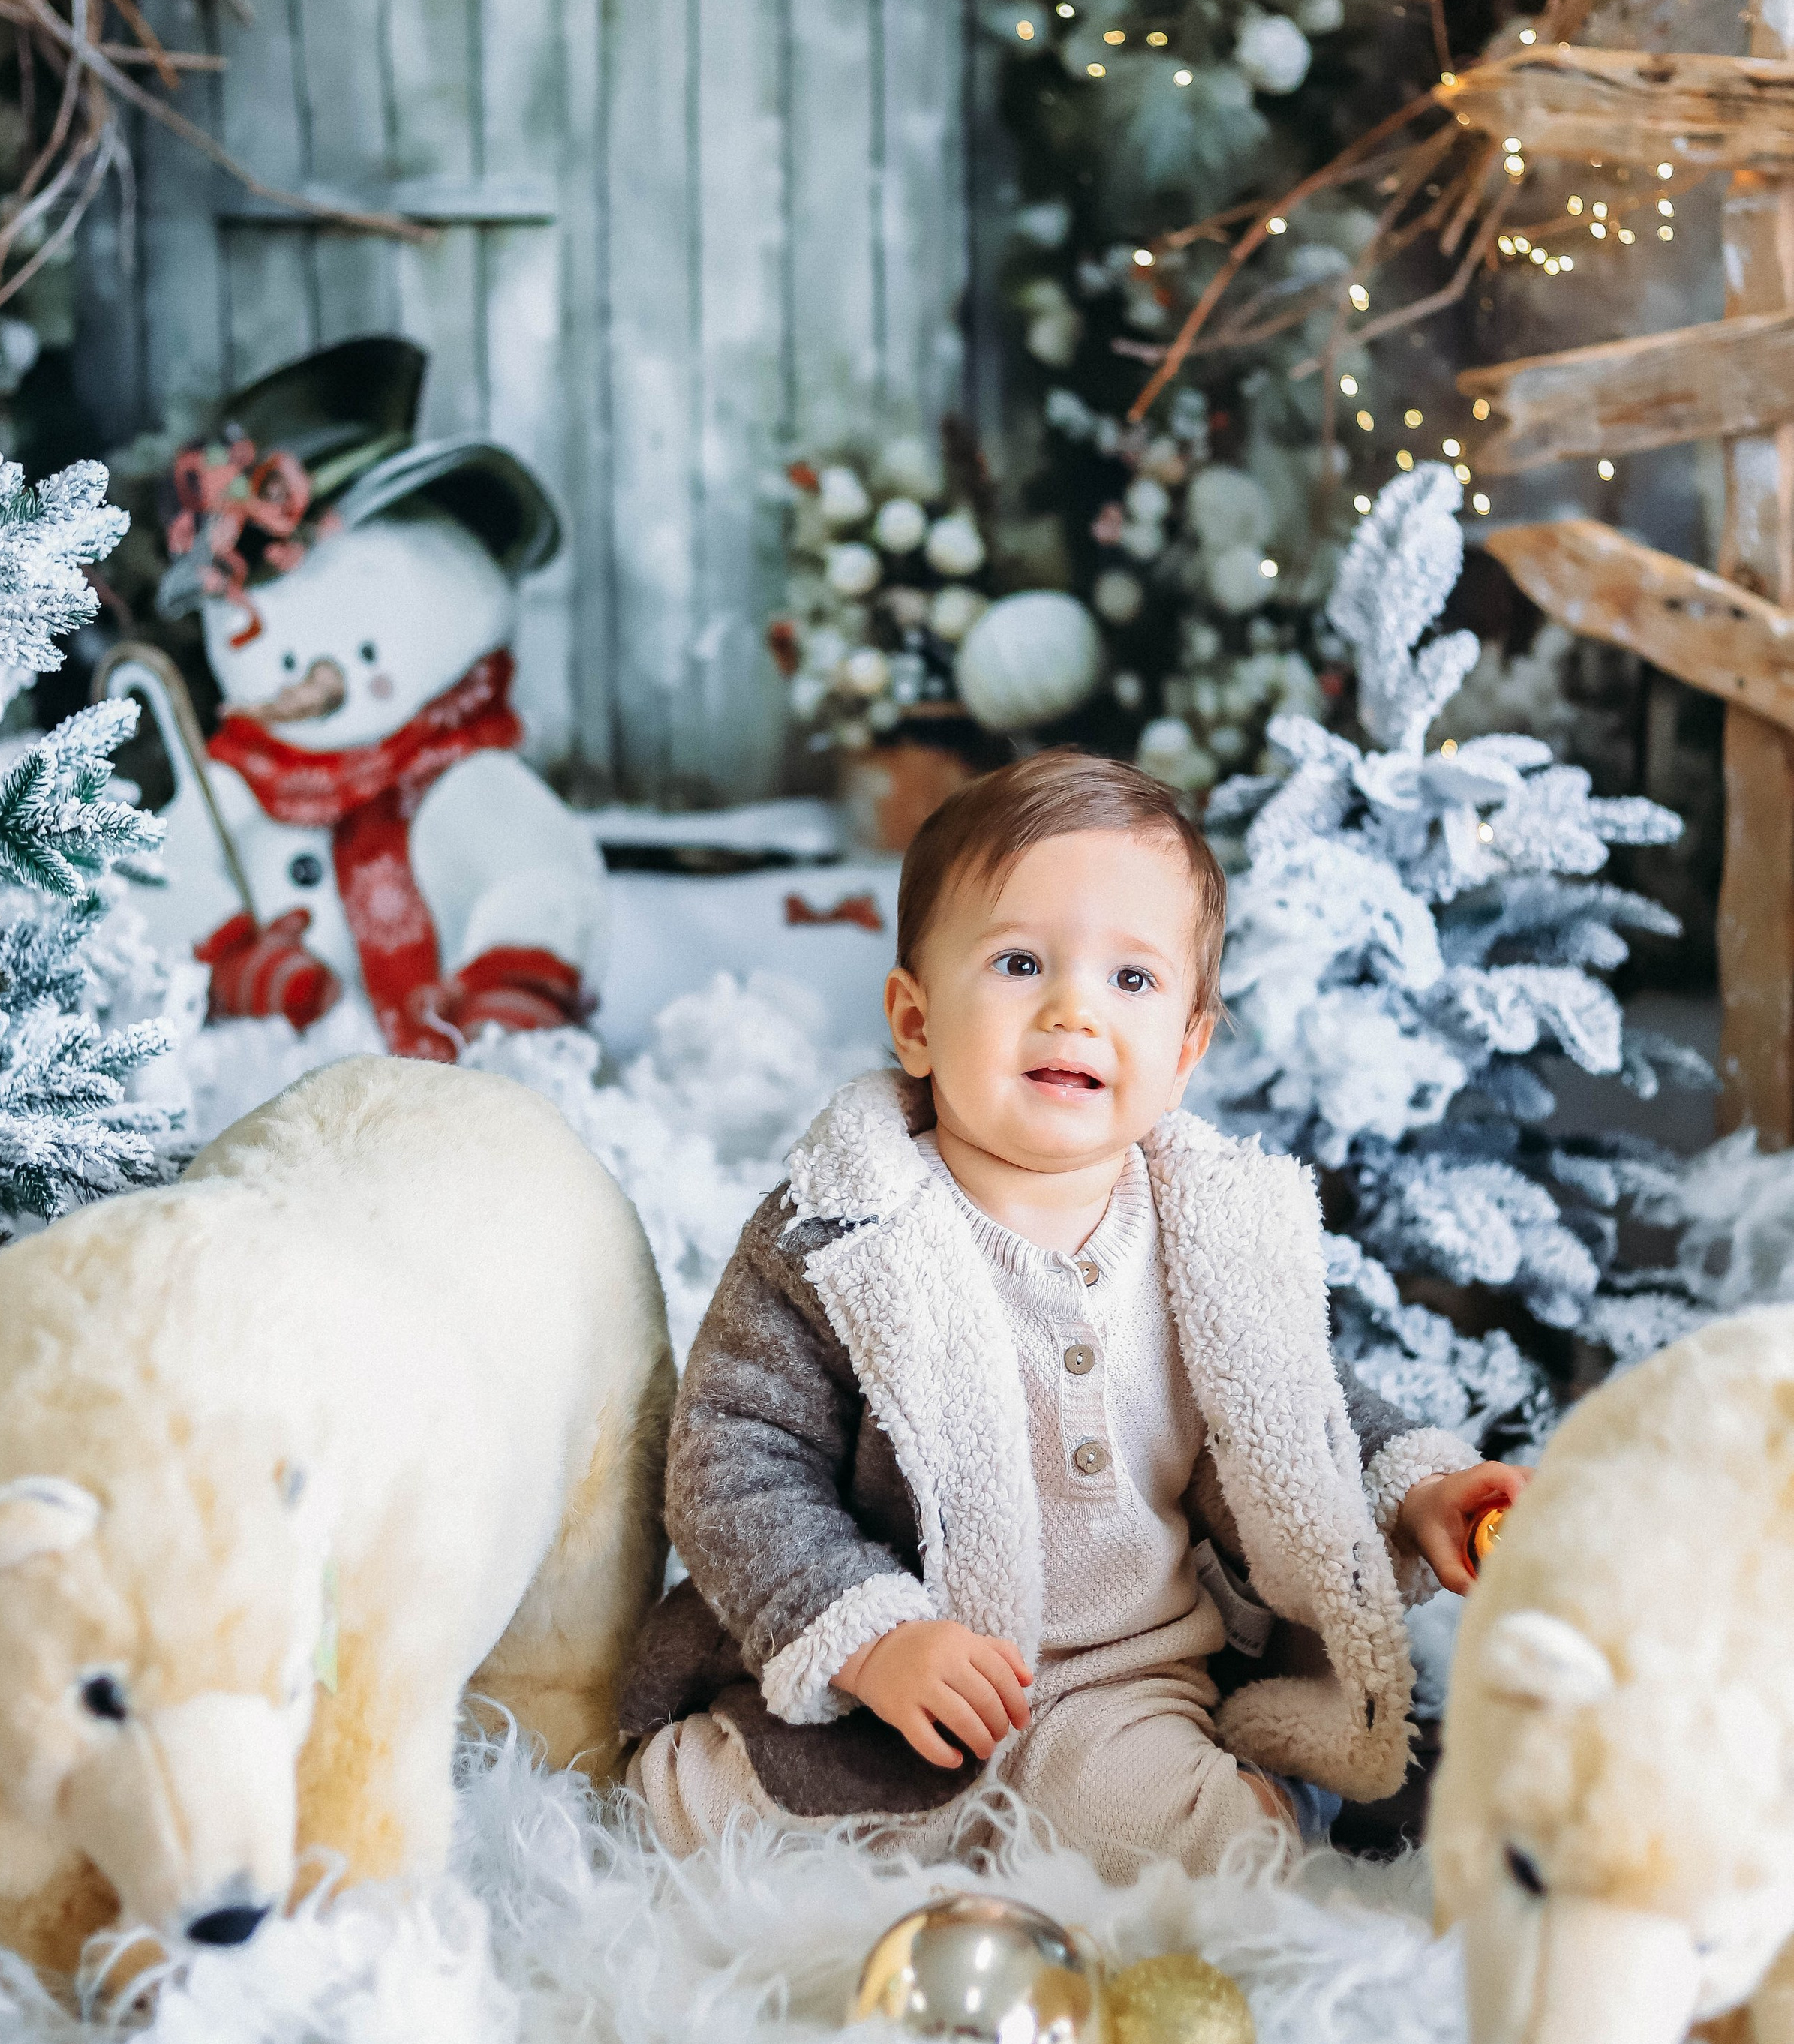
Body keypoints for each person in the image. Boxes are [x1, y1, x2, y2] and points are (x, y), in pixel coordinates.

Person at [620, 751, 1525, 1883]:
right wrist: (872, 1637)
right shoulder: (840, 1230)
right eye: (1018, 962)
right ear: (915, 1019)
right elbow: (733, 1461)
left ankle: (1255, 1787)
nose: (1073, 1011)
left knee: (1204, 1855)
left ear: (1187, 1049)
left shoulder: (1210, 1228)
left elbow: (1297, 1409)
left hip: (1128, 1673)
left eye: (1133, 983)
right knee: (681, 1820)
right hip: (891, 1678)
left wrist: (1419, 1490)